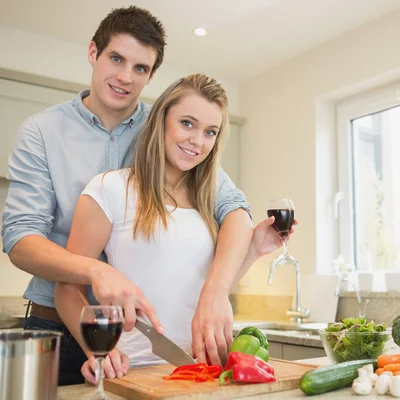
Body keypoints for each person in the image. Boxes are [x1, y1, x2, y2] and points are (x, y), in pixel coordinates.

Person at [1, 7, 254, 385]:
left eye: (140, 68)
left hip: (131, 338)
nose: (124, 77)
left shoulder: (167, 131)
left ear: (151, 75)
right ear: (93, 53)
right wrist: (96, 270)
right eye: (116, 58)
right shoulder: (42, 131)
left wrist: (217, 291)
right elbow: (20, 239)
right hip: (55, 321)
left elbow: (234, 208)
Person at [55, 73, 294, 383]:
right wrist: (96, 350)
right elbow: (66, 289)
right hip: (133, 374)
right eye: (187, 124)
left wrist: (254, 251)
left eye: (210, 131)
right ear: (162, 120)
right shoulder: (110, 189)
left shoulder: (208, 203)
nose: (198, 141)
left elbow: (204, 290)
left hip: (202, 372)